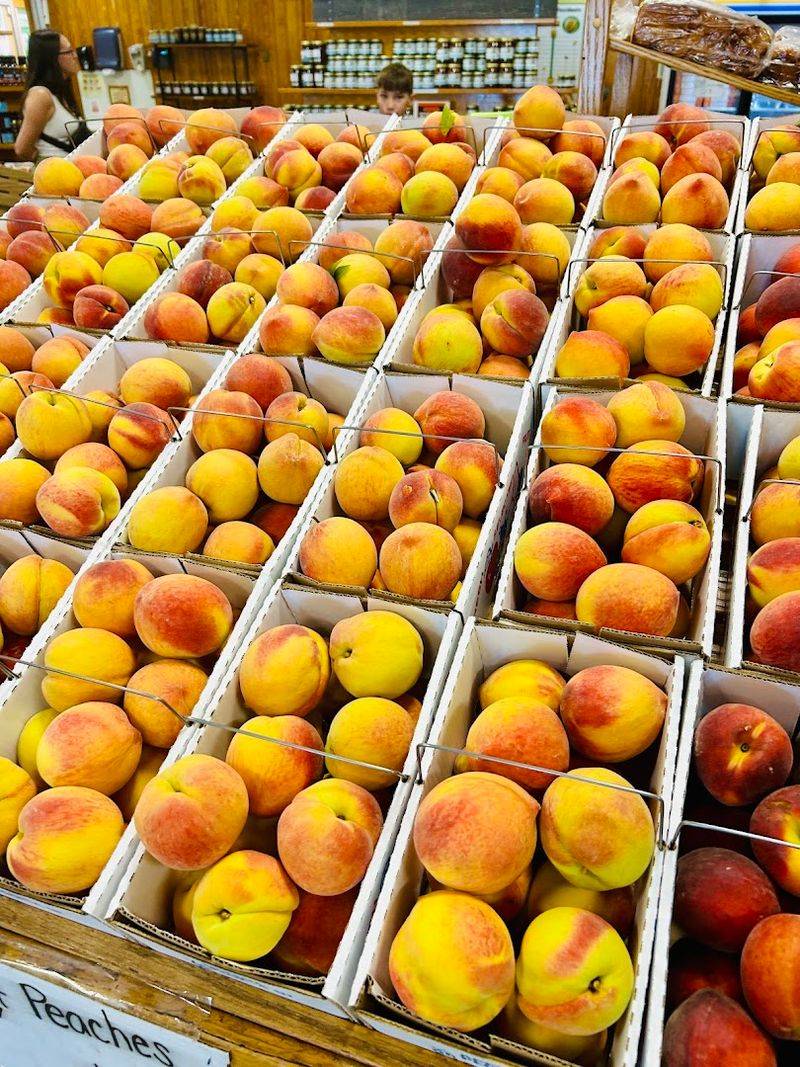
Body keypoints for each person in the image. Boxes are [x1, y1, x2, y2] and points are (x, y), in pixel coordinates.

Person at [15, 29, 85, 160]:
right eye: (69, 52)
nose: (75, 56)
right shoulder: (40, 95)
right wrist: (47, 160)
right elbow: (21, 149)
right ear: (52, 58)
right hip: (56, 172)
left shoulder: (60, 91)